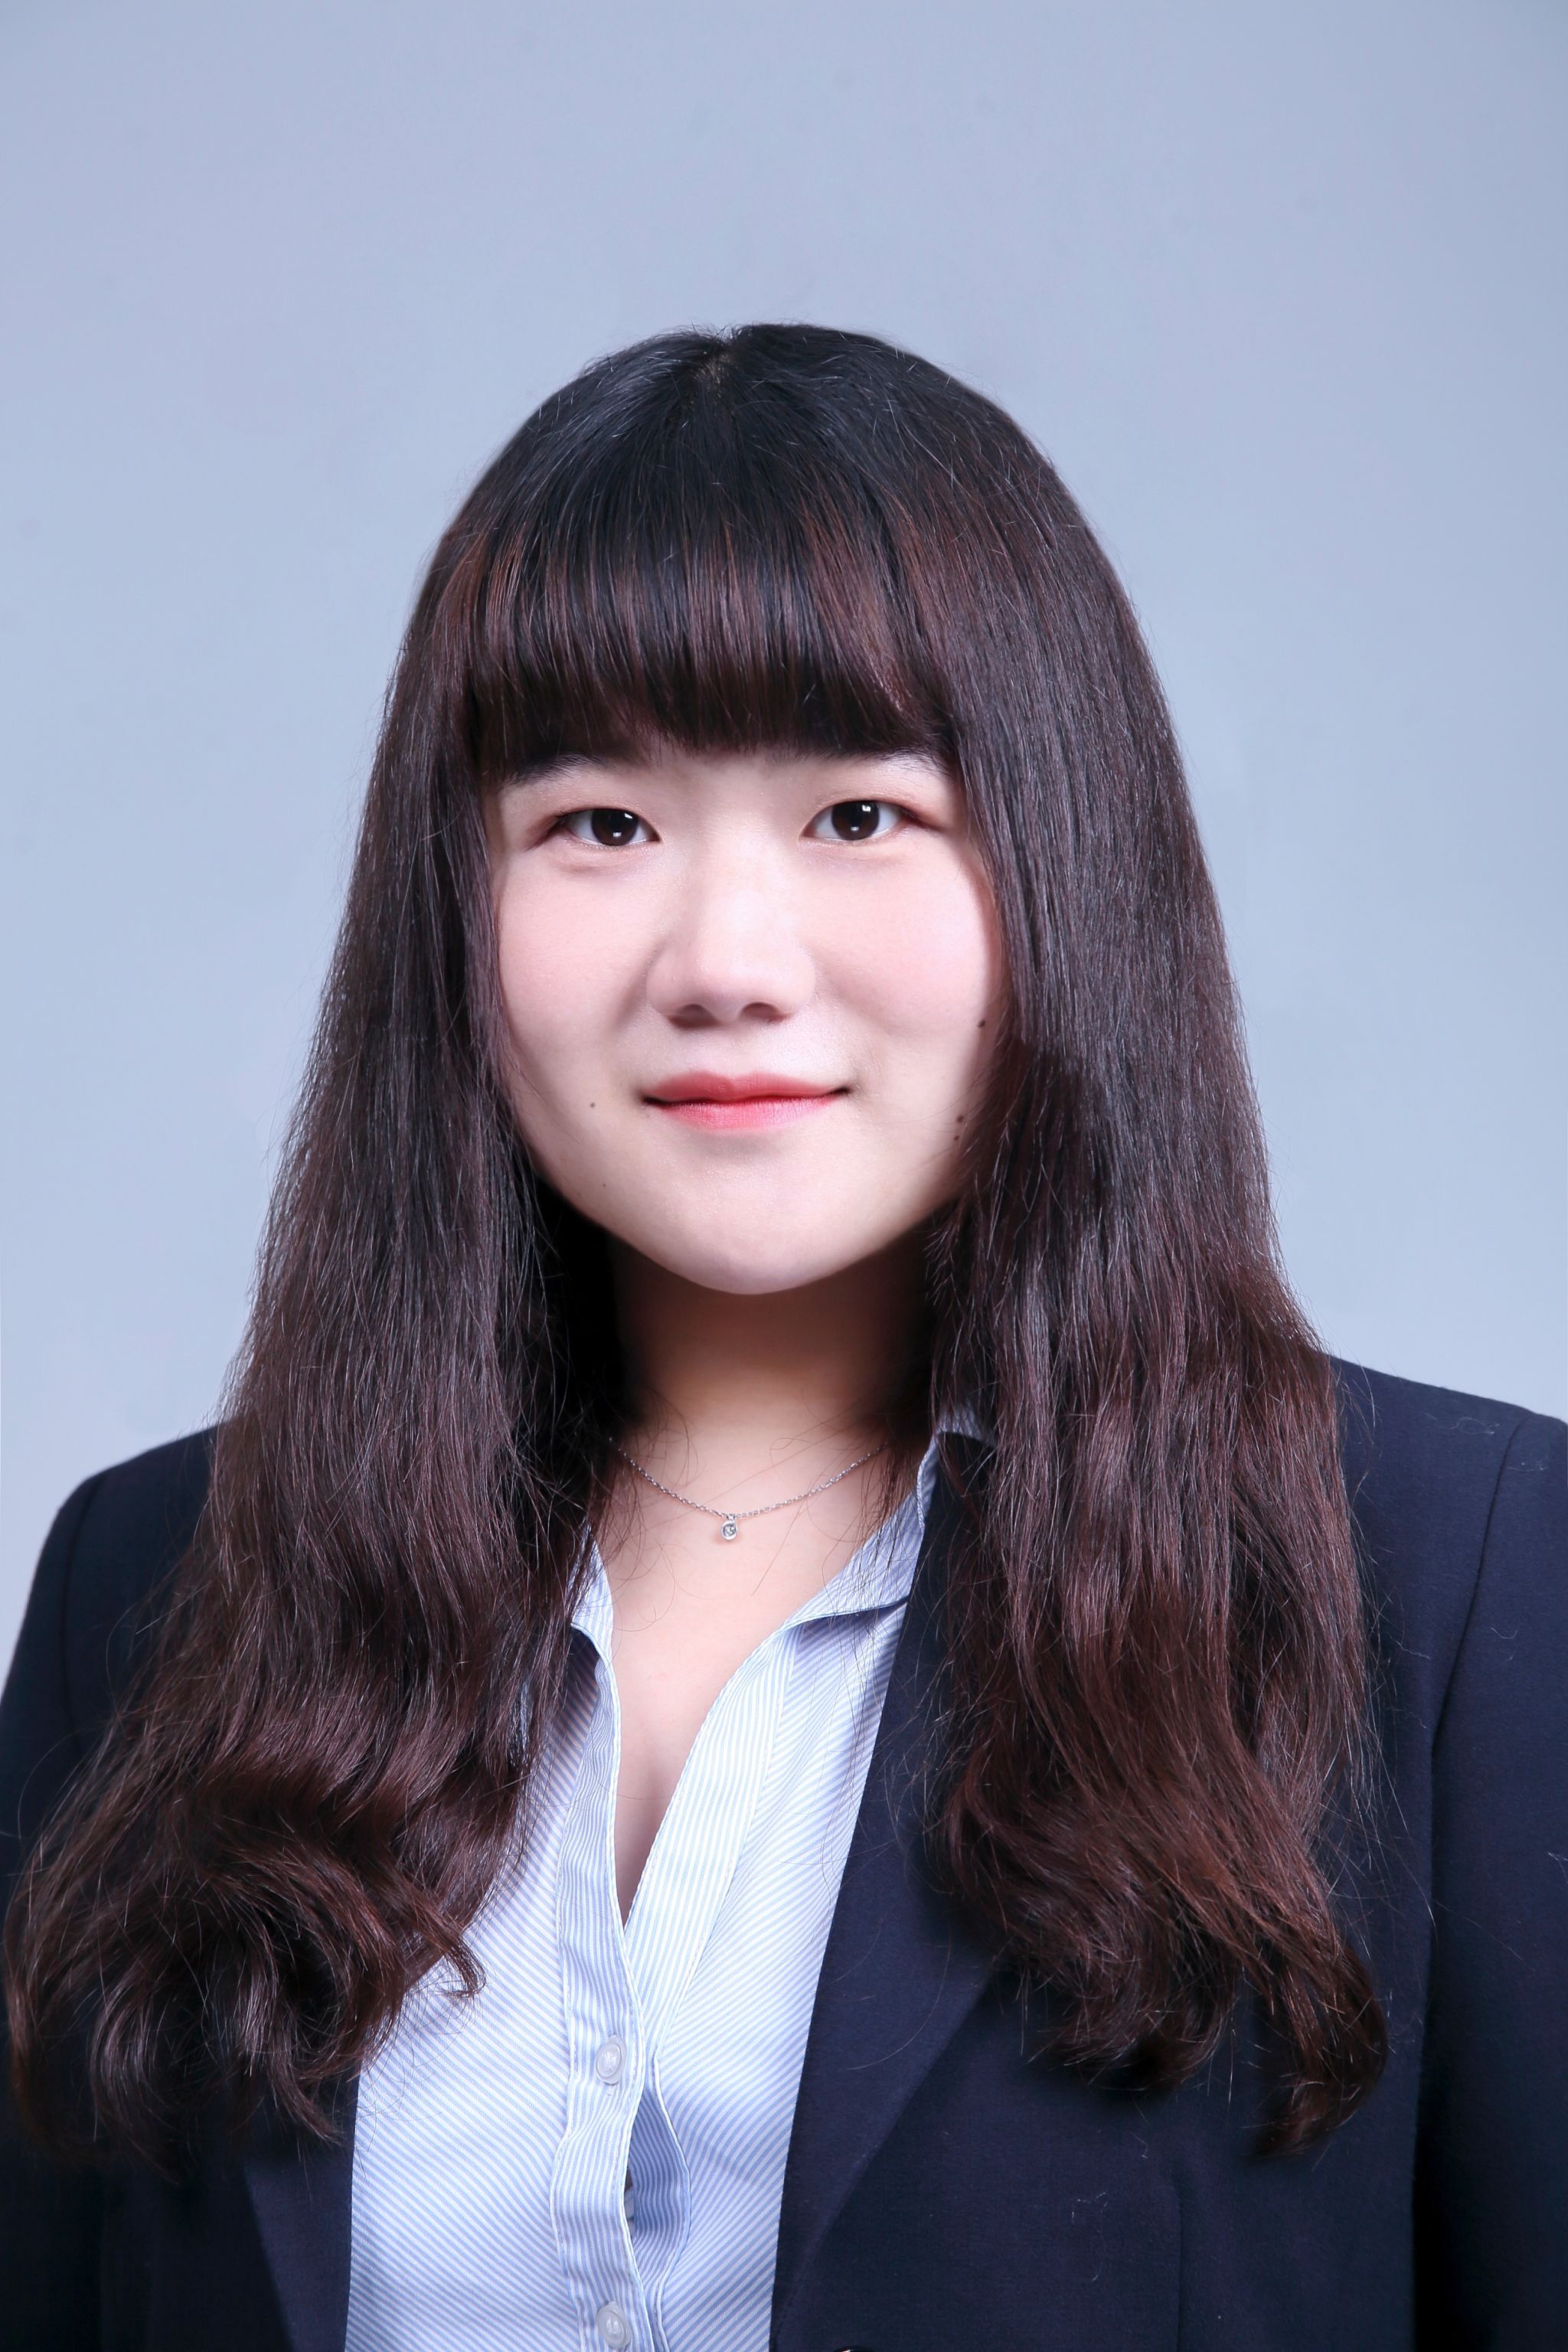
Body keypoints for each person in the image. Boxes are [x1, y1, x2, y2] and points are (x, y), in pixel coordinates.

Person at [1, 325, 1563, 2352]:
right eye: (599, 824)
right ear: (451, 906)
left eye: (860, 816)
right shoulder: (152, 1587)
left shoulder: (1458, 1580)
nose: (727, 964)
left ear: (1064, 869)